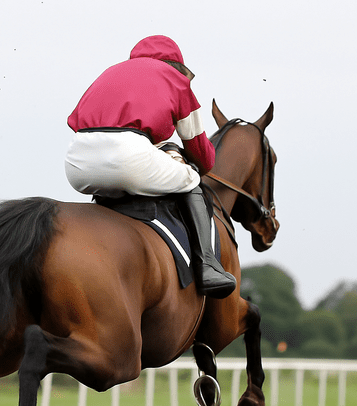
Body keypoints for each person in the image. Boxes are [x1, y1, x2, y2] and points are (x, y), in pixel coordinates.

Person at [65, 35, 236, 299]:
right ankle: (208, 265)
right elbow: (202, 156)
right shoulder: (176, 80)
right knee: (189, 177)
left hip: (77, 162)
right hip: (128, 156)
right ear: (177, 66)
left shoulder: (111, 72)